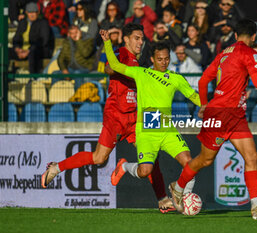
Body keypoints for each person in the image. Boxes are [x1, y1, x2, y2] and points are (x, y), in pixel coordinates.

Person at [42, 23, 175, 213]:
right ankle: (56, 168)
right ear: (126, 39)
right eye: (137, 38)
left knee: (152, 157)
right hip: (116, 116)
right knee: (98, 159)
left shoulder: (138, 61)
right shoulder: (121, 53)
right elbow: (109, 69)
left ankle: (162, 199)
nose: (140, 42)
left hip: (134, 117)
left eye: (142, 38)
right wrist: (122, 67)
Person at [168, 19, 257, 220]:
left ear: (236, 35)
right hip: (221, 114)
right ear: (254, 37)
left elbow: (204, 80)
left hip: (235, 115)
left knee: (251, 156)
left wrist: (203, 104)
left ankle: (256, 206)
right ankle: (178, 187)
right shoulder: (250, 53)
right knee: (205, 159)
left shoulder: (224, 54)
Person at [100, 30, 201, 200]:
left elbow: (195, 97)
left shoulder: (176, 78)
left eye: (167, 59)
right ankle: (124, 167)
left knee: (190, 163)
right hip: (147, 131)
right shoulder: (142, 73)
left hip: (167, 130)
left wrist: (213, 107)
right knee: (144, 171)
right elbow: (116, 66)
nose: (164, 62)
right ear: (153, 59)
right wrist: (107, 43)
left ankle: (183, 196)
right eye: (160, 59)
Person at [10, 2, 54, 73]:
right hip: (23, 50)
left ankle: (33, 76)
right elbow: (16, 38)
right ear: (27, 13)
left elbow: (43, 41)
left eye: (34, 12)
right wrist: (17, 48)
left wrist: (28, 51)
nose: (32, 15)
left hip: (40, 50)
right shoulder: (22, 23)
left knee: (33, 52)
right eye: (30, 12)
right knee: (6, 51)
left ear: (38, 12)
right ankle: (7, 75)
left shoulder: (43, 23)